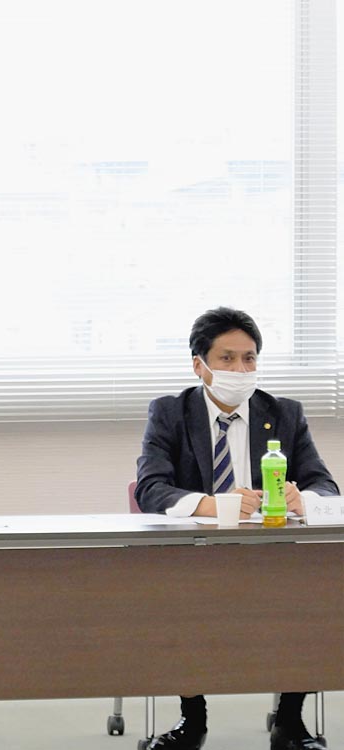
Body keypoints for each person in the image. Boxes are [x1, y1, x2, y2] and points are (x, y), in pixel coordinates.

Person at [135, 306, 337, 750]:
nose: (240, 370)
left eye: (249, 359)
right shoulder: (170, 412)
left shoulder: (283, 413)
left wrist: (305, 500)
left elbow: (325, 485)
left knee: (312, 596)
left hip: (272, 554)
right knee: (176, 601)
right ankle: (193, 720)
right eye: (226, 359)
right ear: (199, 365)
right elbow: (150, 488)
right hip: (196, 552)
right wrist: (212, 505)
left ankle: (290, 722)